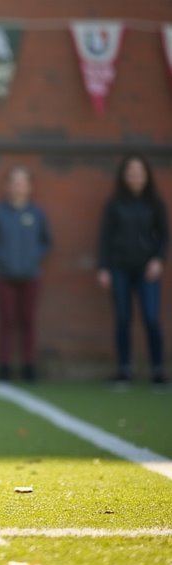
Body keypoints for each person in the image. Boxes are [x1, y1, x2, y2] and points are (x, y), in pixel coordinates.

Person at [97, 154, 169, 390]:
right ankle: (124, 370)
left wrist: (158, 260)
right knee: (123, 318)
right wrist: (103, 267)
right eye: (131, 172)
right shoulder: (114, 204)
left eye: (139, 172)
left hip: (147, 269)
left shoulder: (155, 203)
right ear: (124, 176)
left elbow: (164, 236)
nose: (135, 177)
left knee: (151, 317)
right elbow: (105, 237)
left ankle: (158, 370)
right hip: (120, 267)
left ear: (146, 176)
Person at [0, 167, 52, 384]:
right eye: (14, 182)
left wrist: (33, 257)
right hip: (4, 275)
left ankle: (29, 367)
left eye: (23, 182)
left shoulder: (37, 213)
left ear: (29, 187)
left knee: (28, 321)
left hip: (31, 275)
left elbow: (46, 241)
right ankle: (4, 367)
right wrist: (2, 257)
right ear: (7, 186)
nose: (19, 187)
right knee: (6, 321)